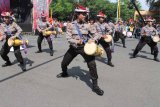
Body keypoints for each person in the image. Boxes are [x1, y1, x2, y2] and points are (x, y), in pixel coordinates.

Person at [56, 5, 104, 96]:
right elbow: (68, 37)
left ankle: (95, 86)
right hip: (73, 48)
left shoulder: (88, 25)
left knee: (92, 65)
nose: (85, 15)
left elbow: (97, 35)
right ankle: (65, 73)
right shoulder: (70, 25)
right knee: (64, 63)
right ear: (78, 14)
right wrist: (76, 41)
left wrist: (93, 40)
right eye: (83, 14)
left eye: (85, 14)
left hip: (84, 48)